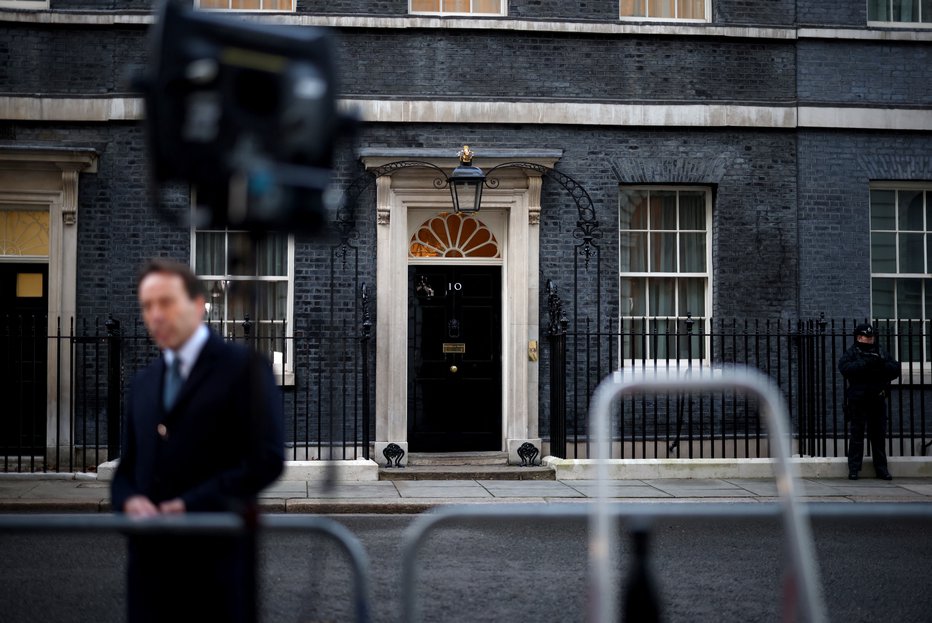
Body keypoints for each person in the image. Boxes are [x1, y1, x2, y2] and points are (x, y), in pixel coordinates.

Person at [111, 258, 284, 623]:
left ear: (198, 305)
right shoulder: (143, 383)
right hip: (149, 572)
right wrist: (129, 501)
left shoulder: (244, 368)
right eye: (147, 306)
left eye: (166, 303)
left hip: (216, 565)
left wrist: (189, 505)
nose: (155, 315)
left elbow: (266, 458)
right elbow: (126, 469)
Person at [838, 323, 900, 481]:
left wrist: (881, 366)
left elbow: (895, 369)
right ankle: (853, 469)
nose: (870, 339)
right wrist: (865, 364)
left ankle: (881, 469)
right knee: (856, 435)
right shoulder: (853, 352)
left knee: (878, 435)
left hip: (877, 398)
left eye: (872, 337)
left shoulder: (880, 351)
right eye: (867, 336)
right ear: (859, 337)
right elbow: (845, 368)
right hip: (858, 400)